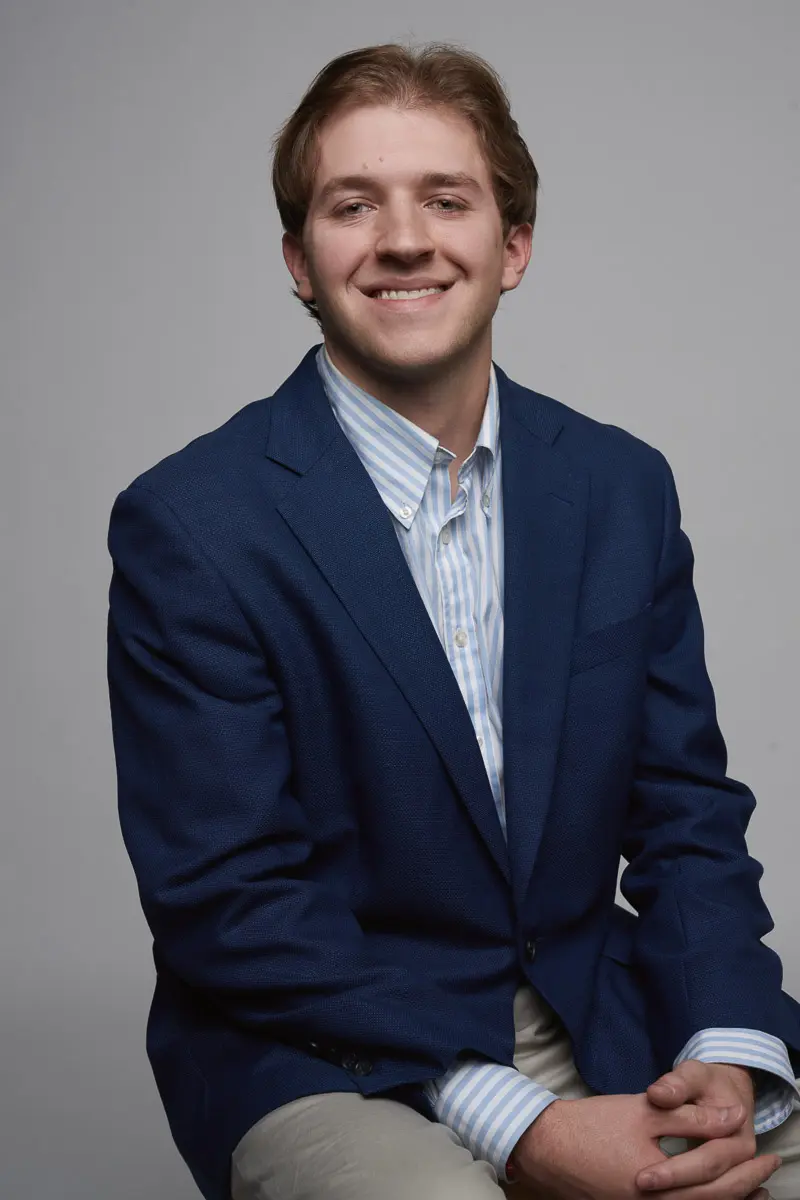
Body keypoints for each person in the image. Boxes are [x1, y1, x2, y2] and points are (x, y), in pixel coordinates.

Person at [106, 42, 800, 1200]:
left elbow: (684, 816)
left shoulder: (619, 488)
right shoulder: (192, 525)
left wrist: (727, 1045)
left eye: (445, 199)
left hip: (595, 1004)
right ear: (298, 259)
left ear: (511, 245)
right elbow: (229, 905)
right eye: (351, 205)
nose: (404, 239)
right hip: (321, 1048)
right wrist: (521, 1121)